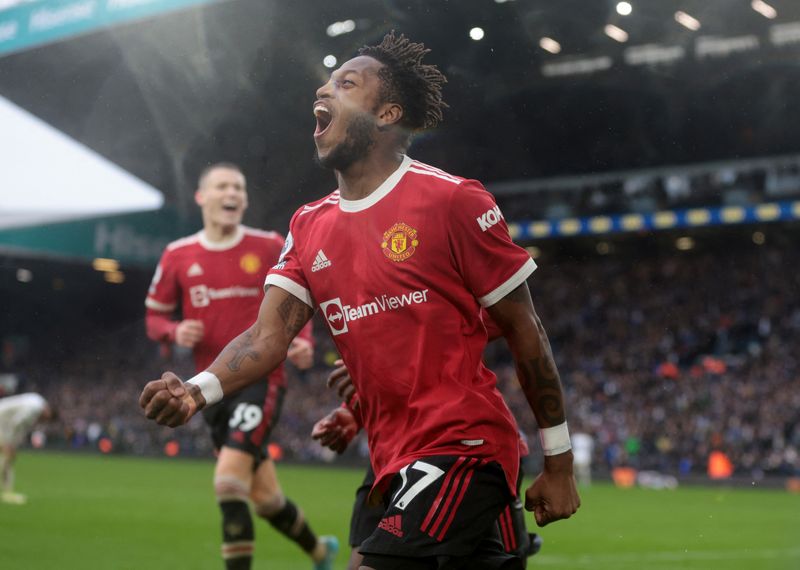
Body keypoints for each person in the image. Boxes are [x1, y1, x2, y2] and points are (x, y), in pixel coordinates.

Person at [140, 32, 580, 570]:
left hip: (461, 445)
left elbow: (524, 327)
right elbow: (266, 336)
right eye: (325, 83)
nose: (322, 91)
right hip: (390, 456)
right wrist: (194, 391)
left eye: (345, 84)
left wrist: (559, 461)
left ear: (388, 113)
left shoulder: (452, 200)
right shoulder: (307, 225)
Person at [144, 162, 338, 570]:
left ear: (245, 200)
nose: (231, 193)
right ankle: (322, 553)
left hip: (259, 380)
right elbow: (154, 316)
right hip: (205, 387)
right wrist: (174, 331)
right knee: (266, 501)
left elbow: (298, 300)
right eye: (222, 186)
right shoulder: (178, 255)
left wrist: (301, 341)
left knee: (229, 482)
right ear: (202, 197)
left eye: (238, 187)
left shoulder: (269, 244)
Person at [0, 392, 53, 505]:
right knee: (8, 457)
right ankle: (7, 492)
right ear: (47, 411)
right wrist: (9, 444)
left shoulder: (38, 400)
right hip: (2, 421)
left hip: (3, 418)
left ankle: (7, 490)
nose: (44, 419)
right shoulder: (34, 409)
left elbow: (19, 426)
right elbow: (16, 423)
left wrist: (12, 444)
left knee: (7, 458)